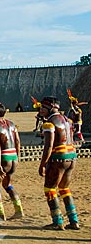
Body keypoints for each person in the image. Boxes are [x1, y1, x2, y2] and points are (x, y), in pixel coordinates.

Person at [38, 96, 80, 230]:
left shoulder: (50, 123)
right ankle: (74, 220)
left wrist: (43, 164)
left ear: (50, 108)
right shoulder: (67, 120)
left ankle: (57, 221)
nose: (41, 110)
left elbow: (48, 146)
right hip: (71, 156)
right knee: (64, 189)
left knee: (50, 189)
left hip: (58, 158)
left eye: (43, 108)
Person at [0, 102, 24, 220]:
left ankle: (0, 214)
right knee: (8, 184)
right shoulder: (12, 124)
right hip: (13, 157)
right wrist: (17, 157)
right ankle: (18, 209)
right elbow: (18, 142)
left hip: (3, 158)